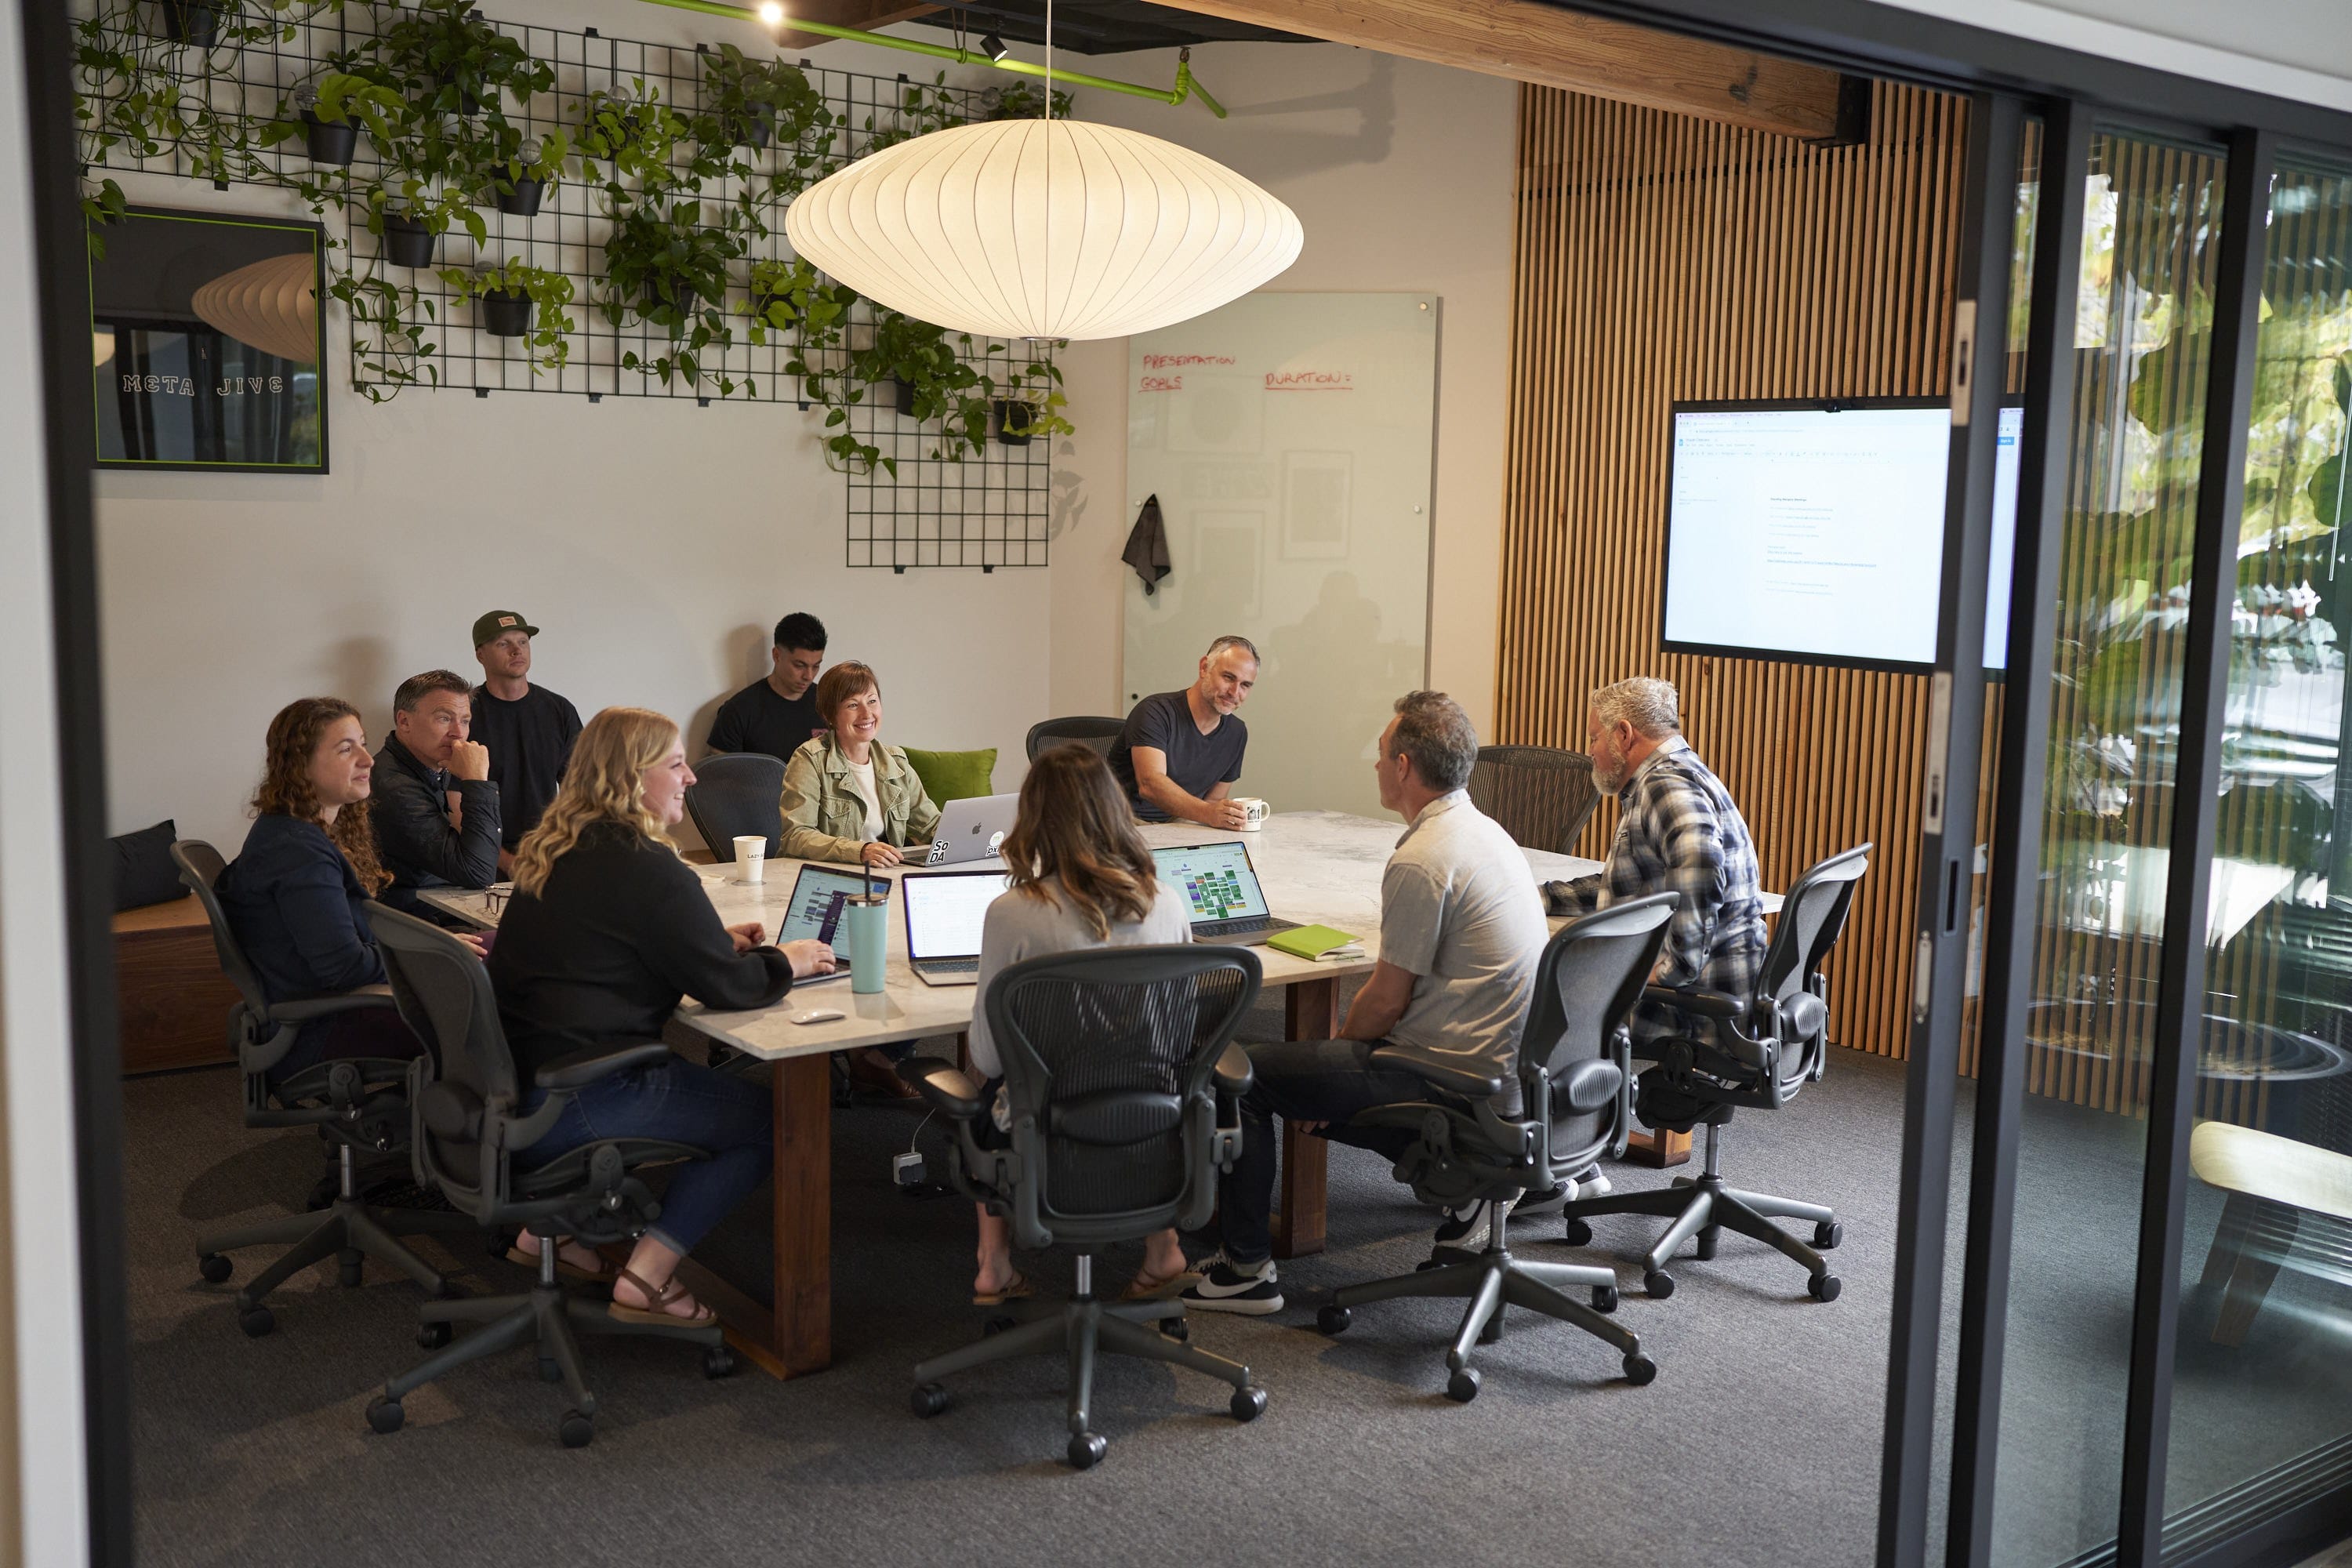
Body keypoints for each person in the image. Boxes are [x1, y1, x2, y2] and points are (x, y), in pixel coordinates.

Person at [1183, 691, 1548, 1316]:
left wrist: (1339, 1055)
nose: (1375, 765)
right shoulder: (1485, 833)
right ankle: (1468, 1193)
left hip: (1451, 1077)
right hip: (1512, 1074)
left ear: (1405, 766)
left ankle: (1245, 1270)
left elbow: (1382, 1002)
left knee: (1236, 1074)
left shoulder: (1423, 859)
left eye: (1381, 755)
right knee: (1317, 1074)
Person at [487, 706, 837, 1324]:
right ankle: (647, 1277)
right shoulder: (649, 867)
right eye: (676, 764)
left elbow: (603, 946)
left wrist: (702, 942)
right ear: (630, 777)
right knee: (776, 1120)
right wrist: (787, 959)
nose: (692, 778)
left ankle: (551, 1235)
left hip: (516, 1086)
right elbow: (730, 988)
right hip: (586, 1095)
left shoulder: (557, 848)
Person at [964, 745, 1198, 1306]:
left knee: (979, 1093)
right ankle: (1162, 1248)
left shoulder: (1012, 912)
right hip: (1154, 1121)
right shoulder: (1165, 901)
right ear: (1115, 811)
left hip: (1046, 1126)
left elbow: (990, 1058)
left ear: (1034, 818)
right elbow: (1182, 1036)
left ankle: (993, 1263)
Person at [215, 697, 468, 1087]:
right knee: (501, 997)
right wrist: (434, 956)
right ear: (301, 766)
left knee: (494, 947)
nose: (367, 759)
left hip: (342, 1009)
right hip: (329, 1029)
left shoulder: (294, 832)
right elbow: (343, 967)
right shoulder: (298, 853)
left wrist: (439, 945)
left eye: (363, 744)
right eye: (346, 749)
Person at [1556, 676, 1766, 1044]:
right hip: (1719, 991)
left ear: (1623, 734)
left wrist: (1670, 972)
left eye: (1594, 738)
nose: (1590, 750)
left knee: (1538, 995)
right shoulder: (1682, 770)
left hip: (1688, 1011)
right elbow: (1633, 884)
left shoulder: (1665, 785)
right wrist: (1539, 897)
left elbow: (1701, 867)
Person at [778, 661, 942, 868]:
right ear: (830, 716)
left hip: (884, 874)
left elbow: (931, 826)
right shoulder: (810, 759)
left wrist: (981, 837)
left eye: (872, 701)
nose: (867, 714)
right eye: (853, 705)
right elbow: (796, 836)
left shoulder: (896, 762)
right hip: (822, 876)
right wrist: (860, 850)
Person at [373, 670, 502, 921]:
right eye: (444, 718)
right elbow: (478, 872)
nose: (458, 732)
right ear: (404, 722)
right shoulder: (395, 786)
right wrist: (476, 781)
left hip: (432, 905)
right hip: (406, 921)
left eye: (465, 720)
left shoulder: (428, 764)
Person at [467, 609, 583, 877]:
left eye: (523, 642)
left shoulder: (559, 710)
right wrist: (507, 862)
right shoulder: (465, 715)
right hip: (482, 856)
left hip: (547, 854)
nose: (516, 651)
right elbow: (453, 803)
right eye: (503, 643)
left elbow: (580, 791)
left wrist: (562, 847)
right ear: (481, 654)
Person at [1108, 634, 1258, 828]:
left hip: (1182, 824)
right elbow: (1150, 785)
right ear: (1204, 667)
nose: (1234, 692)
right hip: (1125, 823)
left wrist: (1223, 816)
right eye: (1228, 677)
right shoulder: (1155, 712)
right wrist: (1209, 814)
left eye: (1245, 685)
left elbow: (1213, 802)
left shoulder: (1237, 733)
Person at [707, 612, 828, 760]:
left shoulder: (829, 704)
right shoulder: (738, 711)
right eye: (799, 665)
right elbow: (720, 778)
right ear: (777, 655)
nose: (809, 676)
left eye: (816, 666)